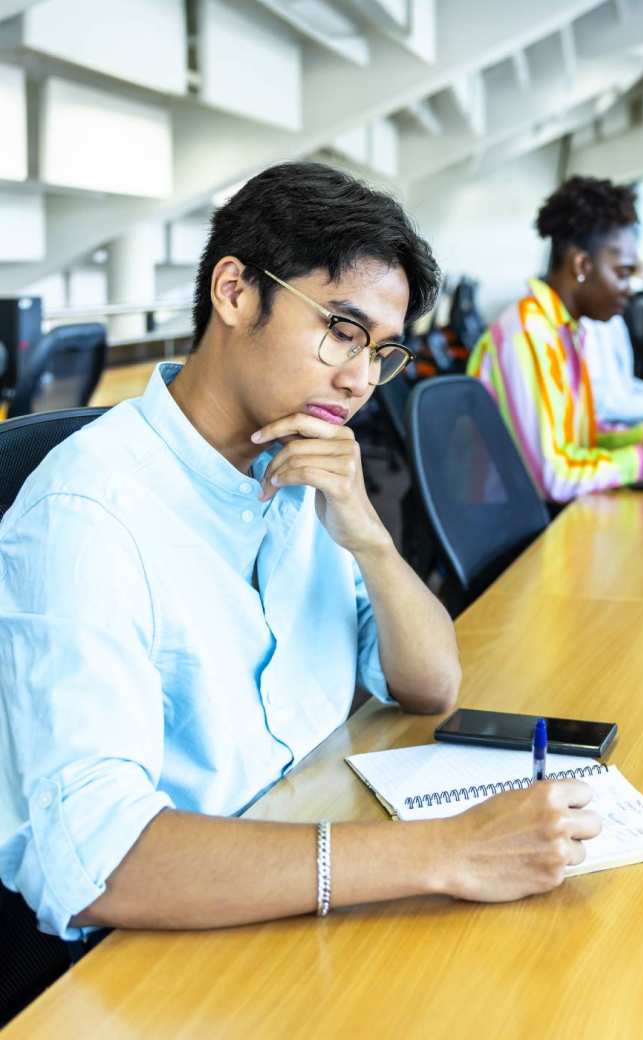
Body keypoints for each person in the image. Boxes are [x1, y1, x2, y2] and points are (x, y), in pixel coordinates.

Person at [0, 163, 602, 943]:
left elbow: (428, 684)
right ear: (235, 291)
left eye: (382, 353)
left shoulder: (298, 469)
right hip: (170, 945)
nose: (359, 381)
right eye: (341, 331)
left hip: (306, 871)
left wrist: (370, 536)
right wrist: (445, 852)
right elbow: (96, 861)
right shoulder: (86, 514)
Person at [467, 177, 643, 505]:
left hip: (548, 514)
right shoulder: (527, 335)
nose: (629, 288)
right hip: (519, 529)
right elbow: (555, 478)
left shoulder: (566, 329)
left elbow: (581, 438)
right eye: (622, 273)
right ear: (582, 265)